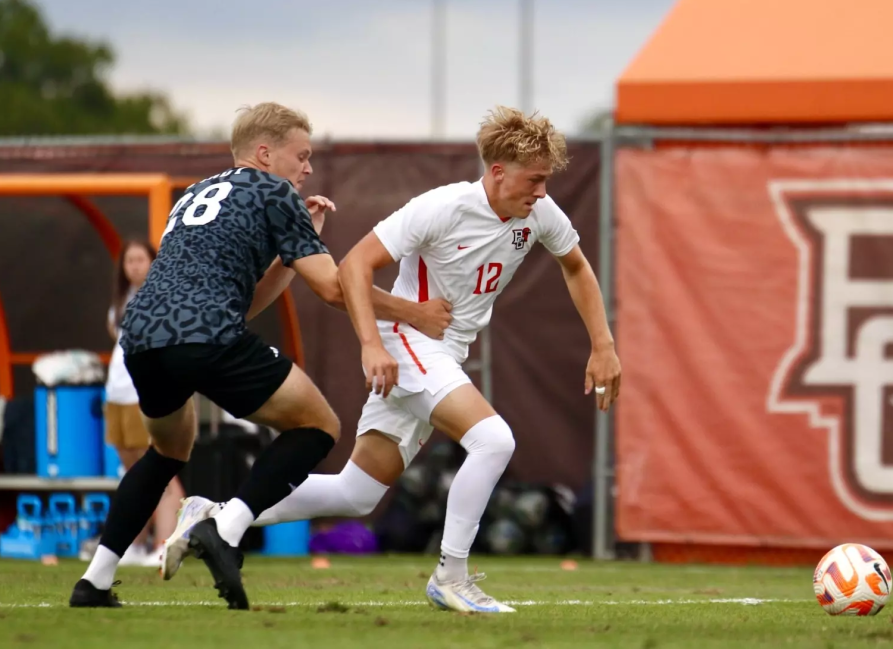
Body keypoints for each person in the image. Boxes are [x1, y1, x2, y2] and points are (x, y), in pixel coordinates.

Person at [164, 106, 622, 613]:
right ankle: (451, 576)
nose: (541, 191)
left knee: (356, 493)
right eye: (534, 179)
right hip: (409, 341)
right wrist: (372, 345)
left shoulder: (541, 213)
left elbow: (576, 266)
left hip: (444, 351)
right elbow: (354, 265)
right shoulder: (443, 207)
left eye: (545, 180)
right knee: (494, 440)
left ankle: (215, 513)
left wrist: (603, 345)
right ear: (497, 171)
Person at [69, 102, 452, 610]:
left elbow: (243, 302)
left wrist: (295, 248)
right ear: (266, 153)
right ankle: (225, 527)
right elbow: (334, 289)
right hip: (205, 333)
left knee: (167, 452)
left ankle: (94, 581)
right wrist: (414, 312)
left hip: (141, 334)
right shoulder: (275, 191)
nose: (307, 168)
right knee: (318, 426)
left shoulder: (193, 194)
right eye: (302, 155)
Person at [103, 239, 185, 568]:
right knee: (133, 473)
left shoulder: (164, 295)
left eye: (141, 259)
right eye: (129, 261)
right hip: (117, 392)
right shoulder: (120, 301)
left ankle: (166, 544)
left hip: (144, 394)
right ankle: (135, 544)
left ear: (153, 261)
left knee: (160, 471)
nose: (135, 266)